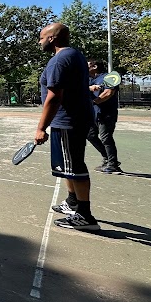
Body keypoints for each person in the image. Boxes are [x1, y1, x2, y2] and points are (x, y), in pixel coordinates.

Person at [35, 23, 100, 231]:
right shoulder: (75, 55)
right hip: (74, 119)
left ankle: (85, 215)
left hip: (68, 121)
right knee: (68, 166)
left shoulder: (59, 60)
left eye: (42, 37)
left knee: (76, 167)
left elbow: (54, 97)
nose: (40, 41)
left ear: (52, 38)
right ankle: (72, 202)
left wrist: (41, 128)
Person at [86, 59, 122, 173]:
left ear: (95, 66)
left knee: (106, 138)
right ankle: (108, 158)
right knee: (90, 135)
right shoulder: (89, 80)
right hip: (94, 114)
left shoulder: (108, 77)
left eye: (87, 65)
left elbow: (108, 93)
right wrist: (89, 88)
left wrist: (94, 101)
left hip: (107, 114)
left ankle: (113, 164)